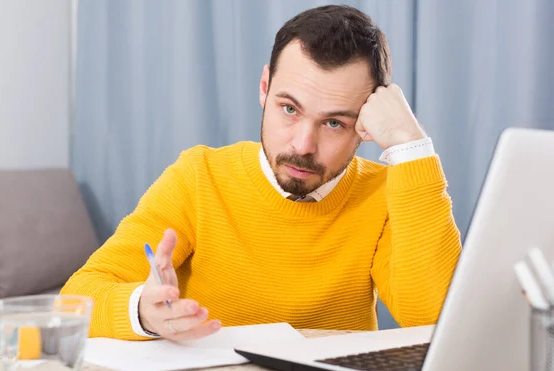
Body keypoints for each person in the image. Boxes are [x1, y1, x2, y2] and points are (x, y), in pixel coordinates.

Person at [61, 5, 461, 341]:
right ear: (265, 88)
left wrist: (410, 145)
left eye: (335, 123)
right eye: (289, 108)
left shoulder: (390, 194)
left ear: (367, 124)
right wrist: (142, 312)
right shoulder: (200, 177)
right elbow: (76, 297)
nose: (303, 144)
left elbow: (437, 323)